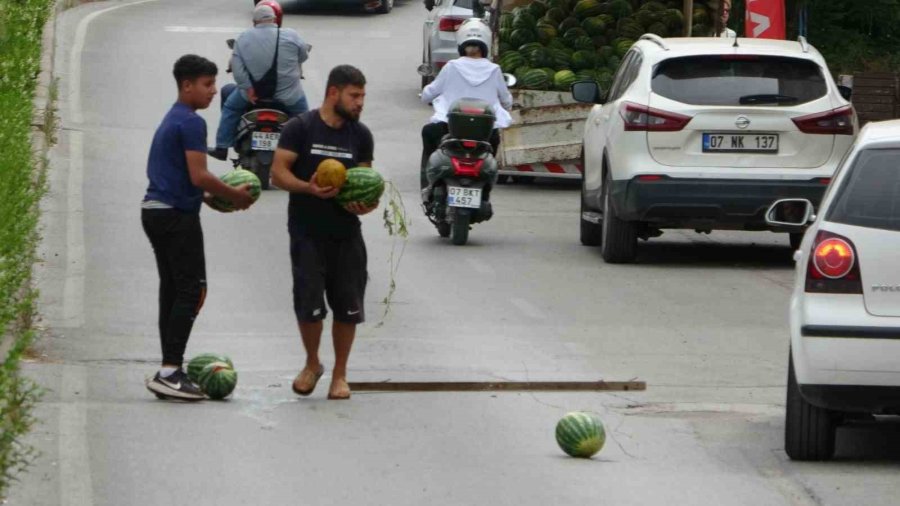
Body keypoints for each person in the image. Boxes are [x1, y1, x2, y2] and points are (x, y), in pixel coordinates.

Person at [142, 55, 255, 401]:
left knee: (174, 291)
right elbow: (199, 174)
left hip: (156, 211)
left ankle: (168, 369)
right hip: (175, 217)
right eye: (206, 85)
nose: (212, 92)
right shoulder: (191, 122)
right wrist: (232, 194)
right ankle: (170, 370)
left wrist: (204, 197)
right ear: (186, 85)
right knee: (193, 291)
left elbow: (179, 175)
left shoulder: (174, 117)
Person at [270, 65, 377, 400]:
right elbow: (277, 174)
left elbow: (366, 184)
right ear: (334, 93)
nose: (360, 102)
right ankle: (313, 363)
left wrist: (365, 205)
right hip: (306, 230)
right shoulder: (300, 128)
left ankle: (340, 375)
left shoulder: (360, 136)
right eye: (354, 95)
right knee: (309, 303)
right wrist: (308, 188)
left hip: (346, 233)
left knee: (348, 305)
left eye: (362, 96)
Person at [208, 2, 310, 161]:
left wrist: (248, 89)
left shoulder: (243, 38)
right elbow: (303, 56)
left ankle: (222, 147)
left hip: (252, 95)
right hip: (288, 96)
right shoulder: (292, 35)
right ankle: (305, 153)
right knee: (303, 117)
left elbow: (237, 68)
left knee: (230, 107)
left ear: (254, 22)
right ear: (275, 19)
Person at [420, 18, 512, 172]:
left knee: (428, 132)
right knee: (496, 140)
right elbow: (506, 100)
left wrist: (426, 94)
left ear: (461, 45)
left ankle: (428, 175)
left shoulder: (451, 67)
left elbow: (428, 94)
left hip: (449, 129)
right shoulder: (495, 70)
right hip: (486, 132)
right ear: (486, 45)